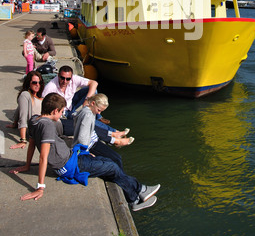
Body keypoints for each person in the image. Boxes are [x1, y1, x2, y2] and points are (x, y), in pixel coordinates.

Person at [9, 93, 160, 210]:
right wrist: (40, 187)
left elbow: (31, 144)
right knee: (112, 166)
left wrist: (27, 166)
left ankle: (136, 194)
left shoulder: (34, 120)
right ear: (54, 110)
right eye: (61, 112)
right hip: (69, 165)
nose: (62, 115)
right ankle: (137, 194)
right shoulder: (47, 125)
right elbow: (43, 156)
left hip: (72, 157)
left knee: (109, 163)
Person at [7, 71, 44, 149]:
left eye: (39, 82)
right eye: (34, 82)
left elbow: (19, 108)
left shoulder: (39, 96)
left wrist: (14, 123)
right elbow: (23, 116)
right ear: (28, 83)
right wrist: (22, 140)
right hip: (40, 128)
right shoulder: (25, 95)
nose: (37, 85)